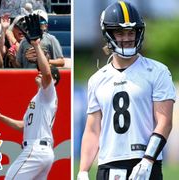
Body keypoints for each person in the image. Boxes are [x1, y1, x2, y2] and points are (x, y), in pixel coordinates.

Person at [77, 1, 176, 180]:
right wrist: (83, 170)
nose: (127, 37)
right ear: (108, 34)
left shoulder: (157, 71)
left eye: (131, 32)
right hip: (108, 165)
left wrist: (148, 160)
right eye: (120, 32)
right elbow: (92, 130)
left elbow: (165, 122)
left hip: (145, 162)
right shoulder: (97, 79)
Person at [0, 14, 60, 179]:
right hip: (42, 151)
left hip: (35, 150)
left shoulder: (48, 93)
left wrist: (36, 45)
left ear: (54, 80)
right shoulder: (40, 97)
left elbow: (47, 73)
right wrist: (0, 117)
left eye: (43, 72)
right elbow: (23, 126)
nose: (40, 73)